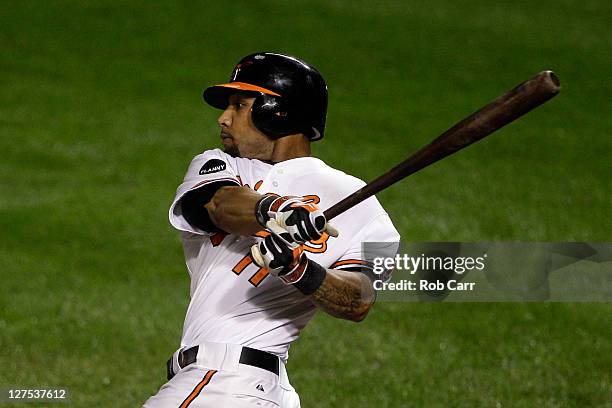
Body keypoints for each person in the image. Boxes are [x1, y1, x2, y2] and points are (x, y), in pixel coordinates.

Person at [143, 52, 400, 408]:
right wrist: (273, 210)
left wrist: (299, 270)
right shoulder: (220, 165)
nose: (223, 118)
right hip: (253, 393)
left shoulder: (361, 205)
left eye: (239, 105)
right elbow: (218, 205)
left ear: (275, 110)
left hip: (225, 386)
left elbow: (358, 301)